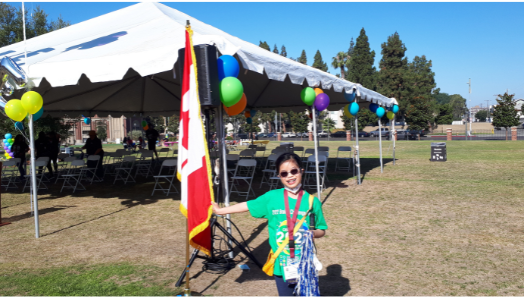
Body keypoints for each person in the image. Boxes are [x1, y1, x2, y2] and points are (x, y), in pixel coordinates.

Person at [213, 153, 328, 296]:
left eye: (293, 171)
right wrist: (220, 211)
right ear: (279, 176)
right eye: (284, 173)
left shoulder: (312, 201)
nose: (290, 176)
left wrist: (313, 233)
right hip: (282, 263)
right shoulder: (272, 197)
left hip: (305, 263)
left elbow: (322, 229)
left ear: (301, 171)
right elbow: (247, 205)